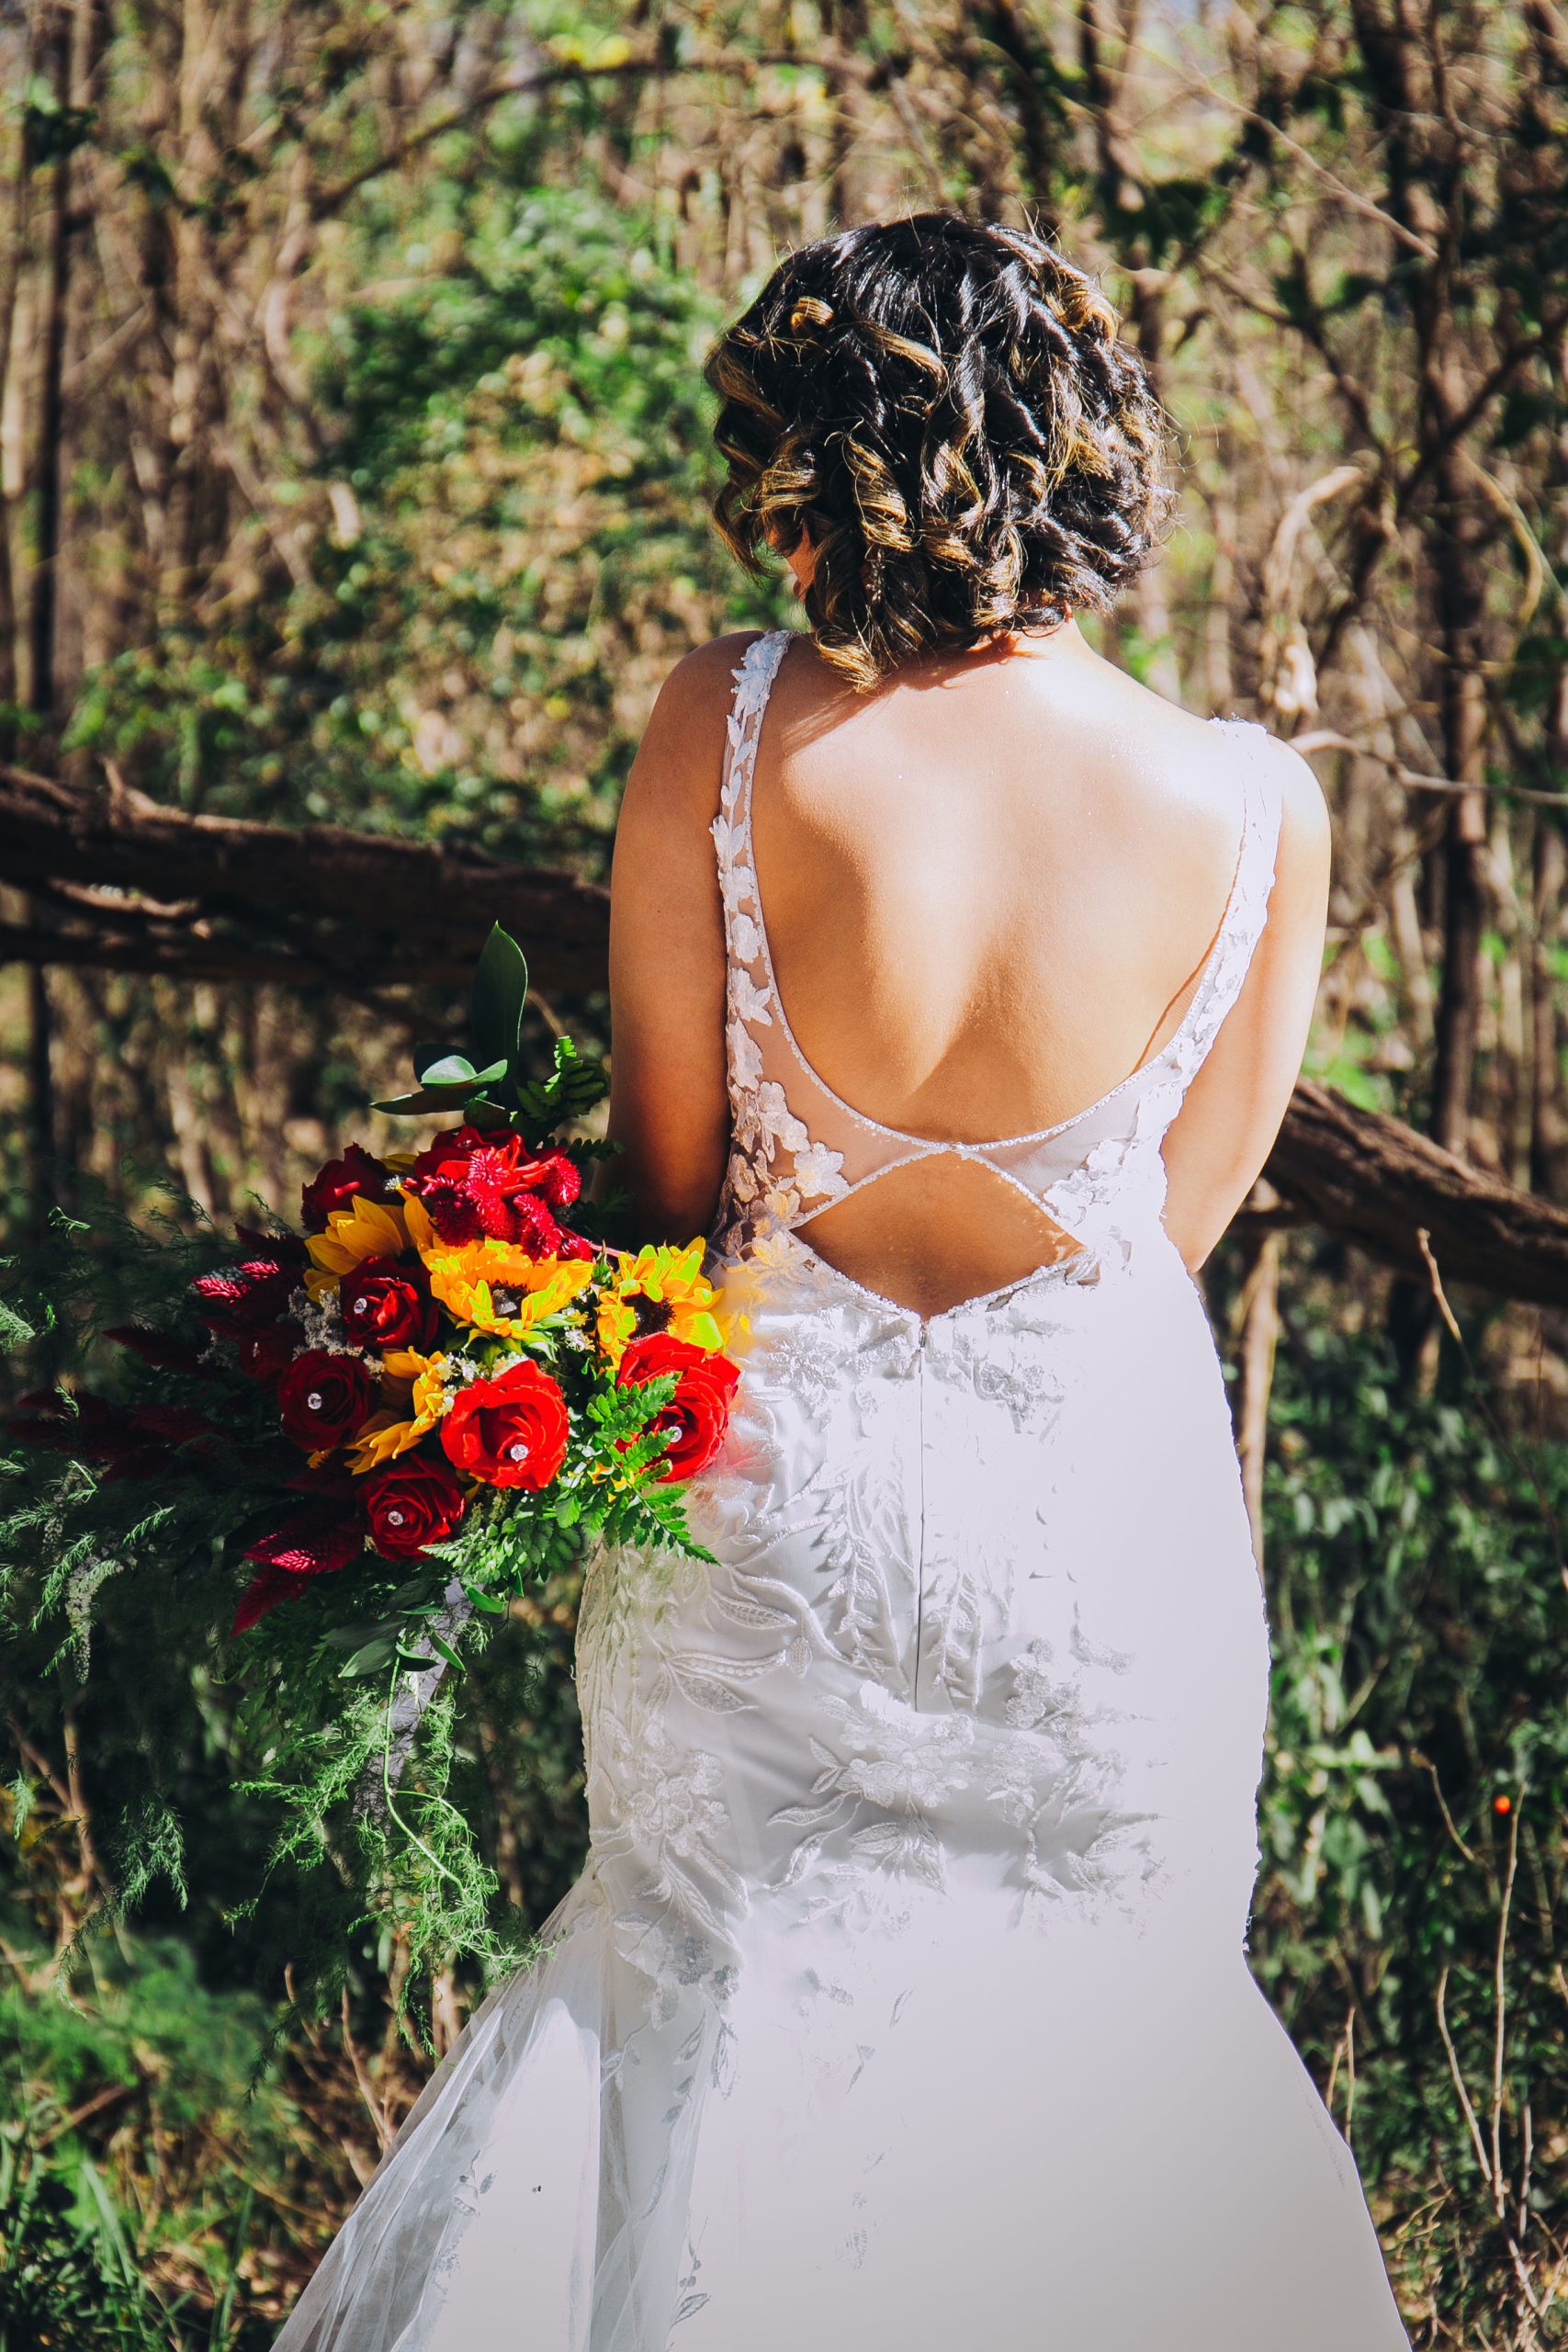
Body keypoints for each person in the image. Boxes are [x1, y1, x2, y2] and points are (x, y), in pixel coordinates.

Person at [275, 212, 1411, 2350]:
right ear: (1081, 444)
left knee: (693, 2014)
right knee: (1105, 2057)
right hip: (1094, 1544)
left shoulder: (722, 727)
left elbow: (670, 1192)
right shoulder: (1252, 805)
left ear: (839, 455)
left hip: (766, 1511)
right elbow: (1164, 1237)